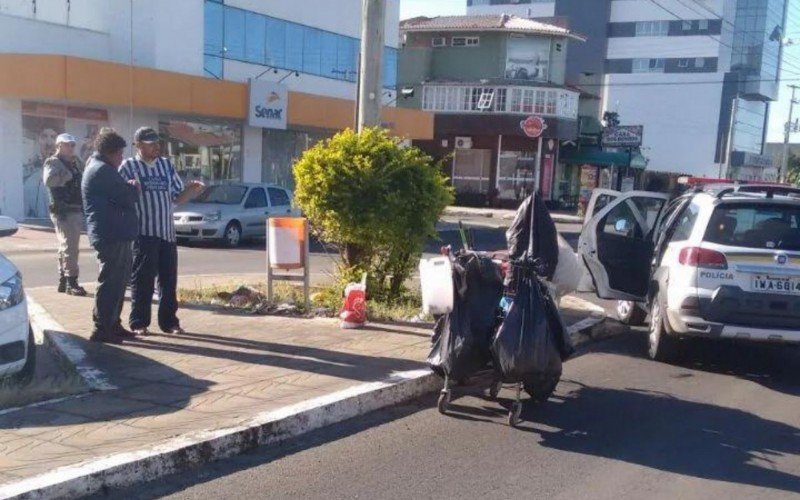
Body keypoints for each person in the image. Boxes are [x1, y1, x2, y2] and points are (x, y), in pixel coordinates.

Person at [120, 127, 204, 336]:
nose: (156, 147)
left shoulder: (166, 165)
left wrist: (190, 191)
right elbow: (120, 197)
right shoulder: (128, 166)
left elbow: (177, 197)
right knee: (142, 280)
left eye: (158, 143)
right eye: (151, 144)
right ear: (138, 145)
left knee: (168, 281)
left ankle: (169, 322)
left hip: (167, 233)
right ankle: (139, 322)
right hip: (143, 232)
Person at [82, 129, 140, 344]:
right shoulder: (102, 171)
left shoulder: (100, 168)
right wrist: (134, 187)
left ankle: (113, 324)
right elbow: (127, 196)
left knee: (119, 281)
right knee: (111, 282)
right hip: (111, 235)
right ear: (110, 152)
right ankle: (102, 327)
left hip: (115, 233)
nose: (122, 158)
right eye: (119, 154)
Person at [43, 133, 88, 296]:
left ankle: (63, 281)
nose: (71, 147)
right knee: (70, 247)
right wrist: (67, 175)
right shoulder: (54, 161)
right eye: (68, 144)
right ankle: (71, 282)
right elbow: (49, 180)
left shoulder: (74, 162)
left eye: (73, 144)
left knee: (65, 246)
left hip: (74, 207)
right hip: (64, 209)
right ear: (59, 146)